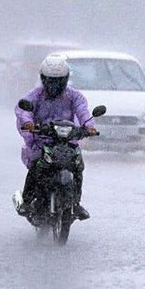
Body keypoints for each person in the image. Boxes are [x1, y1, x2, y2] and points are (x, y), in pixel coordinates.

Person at [14, 55, 97, 219]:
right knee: (37, 165)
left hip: (68, 141)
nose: (54, 85)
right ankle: (27, 200)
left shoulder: (74, 96)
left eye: (59, 81)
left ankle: (76, 203)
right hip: (42, 141)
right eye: (51, 80)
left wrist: (89, 126)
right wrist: (29, 123)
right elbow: (23, 110)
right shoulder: (35, 95)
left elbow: (83, 111)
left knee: (78, 166)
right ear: (43, 79)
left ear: (65, 79)